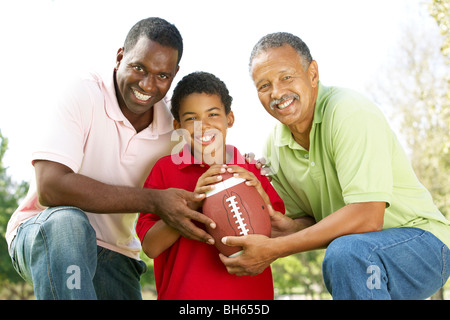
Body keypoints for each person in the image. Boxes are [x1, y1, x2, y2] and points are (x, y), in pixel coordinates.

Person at [219, 32, 450, 300]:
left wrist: (276, 248)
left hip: (425, 244)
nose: (277, 93)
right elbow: (311, 222)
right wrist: (278, 225)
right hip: (365, 254)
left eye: (286, 77)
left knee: (345, 253)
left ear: (313, 74)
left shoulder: (349, 111)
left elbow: (367, 216)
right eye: (264, 86)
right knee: (348, 253)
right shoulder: (274, 146)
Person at [5, 17, 216, 300]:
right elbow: (51, 186)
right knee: (68, 223)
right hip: (44, 233)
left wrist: (250, 167)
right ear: (120, 57)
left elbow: (211, 168)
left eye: (162, 76)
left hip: (116, 252)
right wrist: (153, 201)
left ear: (174, 74)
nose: (147, 83)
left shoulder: (173, 128)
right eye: (139, 67)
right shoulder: (83, 92)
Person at [136, 71, 285, 299]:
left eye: (213, 114)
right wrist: (195, 202)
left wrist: (261, 198)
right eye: (191, 118)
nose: (203, 126)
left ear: (230, 119)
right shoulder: (165, 170)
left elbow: (279, 237)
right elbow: (150, 246)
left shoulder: (251, 171)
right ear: (178, 125)